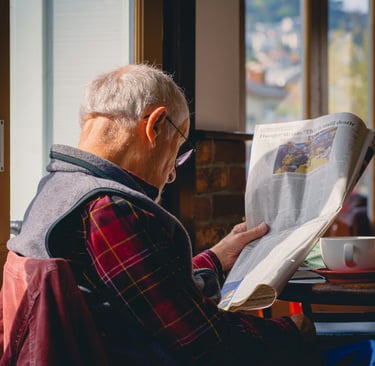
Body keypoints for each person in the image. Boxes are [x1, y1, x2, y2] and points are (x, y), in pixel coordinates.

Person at [7, 64, 318, 365]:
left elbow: (141, 289)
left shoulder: (55, 190)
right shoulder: (109, 210)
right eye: (178, 149)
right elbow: (202, 341)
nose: (171, 174)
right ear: (155, 125)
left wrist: (217, 257)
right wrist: (292, 330)